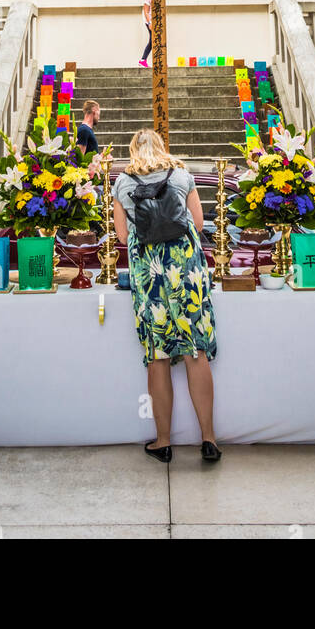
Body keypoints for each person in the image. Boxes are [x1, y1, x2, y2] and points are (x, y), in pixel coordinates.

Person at [112, 129, 221, 465]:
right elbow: (198, 224)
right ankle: (209, 439)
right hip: (185, 270)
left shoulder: (123, 182)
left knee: (157, 356)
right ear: (162, 147)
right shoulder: (182, 175)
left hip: (149, 273)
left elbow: (121, 235)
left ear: (133, 151)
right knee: (195, 352)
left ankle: (163, 442)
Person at [138, 0, 152, 68]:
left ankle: (143, 60)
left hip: (157, 23)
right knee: (153, 41)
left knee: (153, 42)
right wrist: (150, 23)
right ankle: (143, 60)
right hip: (150, 23)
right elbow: (146, 12)